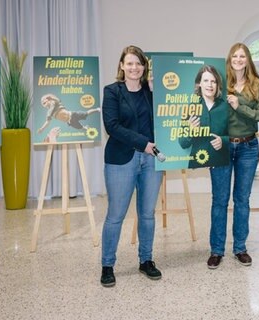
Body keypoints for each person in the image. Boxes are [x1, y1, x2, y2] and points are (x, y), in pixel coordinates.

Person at [100, 45, 163, 287]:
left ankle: (146, 260)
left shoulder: (151, 91)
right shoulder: (112, 91)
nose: (134, 67)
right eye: (130, 63)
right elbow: (112, 126)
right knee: (115, 216)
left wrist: (161, 95)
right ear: (122, 66)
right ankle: (107, 265)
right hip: (121, 160)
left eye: (139, 63)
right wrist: (143, 143)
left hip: (151, 160)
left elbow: (165, 118)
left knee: (147, 214)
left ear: (144, 67)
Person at [202, 43, 259, 269]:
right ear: (229, 59)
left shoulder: (257, 84)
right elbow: (205, 103)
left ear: (248, 60)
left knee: (242, 200)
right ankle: (216, 250)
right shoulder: (219, 81)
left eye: (242, 56)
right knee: (219, 200)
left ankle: (240, 248)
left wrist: (240, 106)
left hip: (248, 148)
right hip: (222, 146)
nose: (238, 59)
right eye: (234, 56)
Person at [178, 65, 230, 168]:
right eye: (206, 80)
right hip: (197, 165)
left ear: (217, 85)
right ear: (199, 84)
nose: (210, 85)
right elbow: (183, 143)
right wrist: (190, 131)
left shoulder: (226, 108)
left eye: (213, 81)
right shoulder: (191, 108)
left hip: (220, 164)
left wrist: (223, 141)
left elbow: (236, 137)